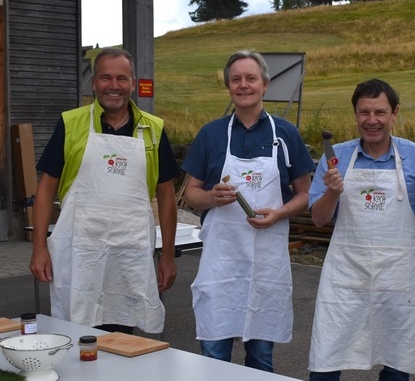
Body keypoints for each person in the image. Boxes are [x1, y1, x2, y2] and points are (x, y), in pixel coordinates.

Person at [181, 49, 315, 373]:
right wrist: (212, 197)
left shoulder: (285, 135)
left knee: (260, 362)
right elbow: (189, 194)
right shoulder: (211, 134)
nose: (244, 85)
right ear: (229, 86)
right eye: (236, 79)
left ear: (264, 85)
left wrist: (279, 214)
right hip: (221, 267)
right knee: (214, 358)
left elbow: (306, 194)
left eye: (251, 78)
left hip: (266, 266)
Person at [30, 47, 179, 335]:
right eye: (106, 78)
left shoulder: (153, 129)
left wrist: (167, 256)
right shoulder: (71, 124)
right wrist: (39, 248)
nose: (114, 86)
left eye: (121, 79)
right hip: (79, 254)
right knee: (75, 336)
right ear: (94, 82)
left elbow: (166, 196)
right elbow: (46, 189)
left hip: (129, 255)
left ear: (133, 83)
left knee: (122, 338)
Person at [308, 79, 415, 381]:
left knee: (398, 357)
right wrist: (332, 192)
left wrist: (402, 241)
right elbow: (318, 219)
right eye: (364, 112)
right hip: (345, 274)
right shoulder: (336, 158)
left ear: (394, 113)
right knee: (327, 354)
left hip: (397, 274)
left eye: (380, 112)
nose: (372, 121)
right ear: (355, 114)